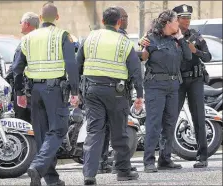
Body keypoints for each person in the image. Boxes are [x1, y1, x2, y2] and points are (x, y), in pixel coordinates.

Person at [12, 2, 79, 186]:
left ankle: (50, 179)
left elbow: (17, 68)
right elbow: (71, 64)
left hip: (35, 91)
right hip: (55, 90)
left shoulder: (27, 38)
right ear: (57, 18)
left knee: (42, 135)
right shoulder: (63, 35)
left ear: (40, 18)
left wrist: (19, 93)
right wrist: (75, 90)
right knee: (58, 130)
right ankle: (39, 166)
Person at [76, 7, 143, 185]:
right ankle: (123, 171)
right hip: (116, 93)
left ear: (103, 21)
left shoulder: (90, 37)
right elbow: (136, 70)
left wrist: (75, 90)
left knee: (94, 131)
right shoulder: (124, 42)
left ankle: (89, 174)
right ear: (119, 22)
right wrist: (140, 94)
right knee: (119, 132)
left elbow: (77, 64)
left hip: (92, 91)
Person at [139, 9, 192, 173]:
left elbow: (188, 57)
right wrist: (142, 46)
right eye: (176, 21)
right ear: (168, 23)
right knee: (154, 124)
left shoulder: (175, 39)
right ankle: (148, 161)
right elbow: (142, 57)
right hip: (155, 85)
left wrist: (181, 38)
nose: (179, 23)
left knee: (169, 124)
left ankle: (165, 159)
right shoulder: (151, 38)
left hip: (173, 85)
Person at [98, 6, 137, 174]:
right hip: (116, 89)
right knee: (116, 129)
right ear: (118, 20)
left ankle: (105, 162)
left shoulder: (118, 35)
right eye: (124, 16)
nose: (126, 20)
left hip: (109, 87)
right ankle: (117, 164)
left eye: (127, 16)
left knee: (107, 128)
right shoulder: (118, 37)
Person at [173, 4, 212, 168]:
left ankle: (202, 156)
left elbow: (208, 57)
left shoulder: (196, 36)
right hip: (179, 81)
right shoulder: (171, 36)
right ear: (177, 19)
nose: (187, 21)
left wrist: (194, 50)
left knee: (198, 117)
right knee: (171, 117)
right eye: (183, 18)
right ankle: (165, 157)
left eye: (188, 18)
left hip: (195, 80)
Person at [5, 12, 40, 122]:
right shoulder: (42, 40)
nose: (20, 25)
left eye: (21, 23)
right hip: (41, 88)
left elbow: (16, 68)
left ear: (26, 24)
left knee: (23, 124)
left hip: (25, 89)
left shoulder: (26, 41)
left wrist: (18, 91)